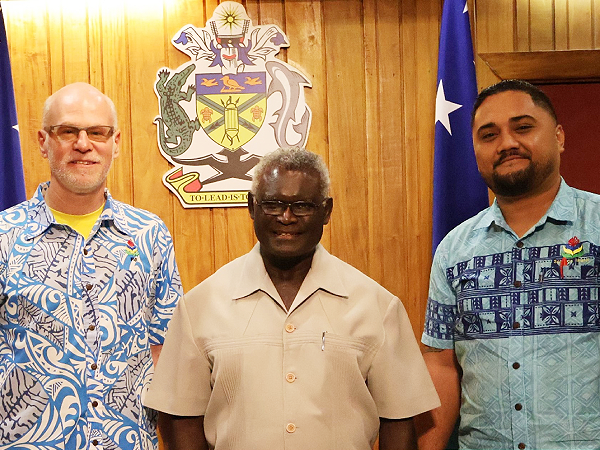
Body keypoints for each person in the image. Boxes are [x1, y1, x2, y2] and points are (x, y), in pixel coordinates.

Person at [144, 147, 440, 450]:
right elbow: (182, 420)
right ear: (252, 207)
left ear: (326, 211)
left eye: (302, 205)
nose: (286, 217)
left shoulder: (378, 307)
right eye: (273, 204)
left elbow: (399, 422)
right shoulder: (199, 307)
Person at [417, 79, 600, 450]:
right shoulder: (454, 250)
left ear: (560, 136)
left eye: (523, 127)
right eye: (489, 135)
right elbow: (440, 365)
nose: (506, 143)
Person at [0, 83, 182, 450]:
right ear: (42, 141)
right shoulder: (4, 236)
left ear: (115, 142)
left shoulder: (150, 236)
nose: (83, 144)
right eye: (67, 131)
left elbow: (166, 352)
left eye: (97, 132)